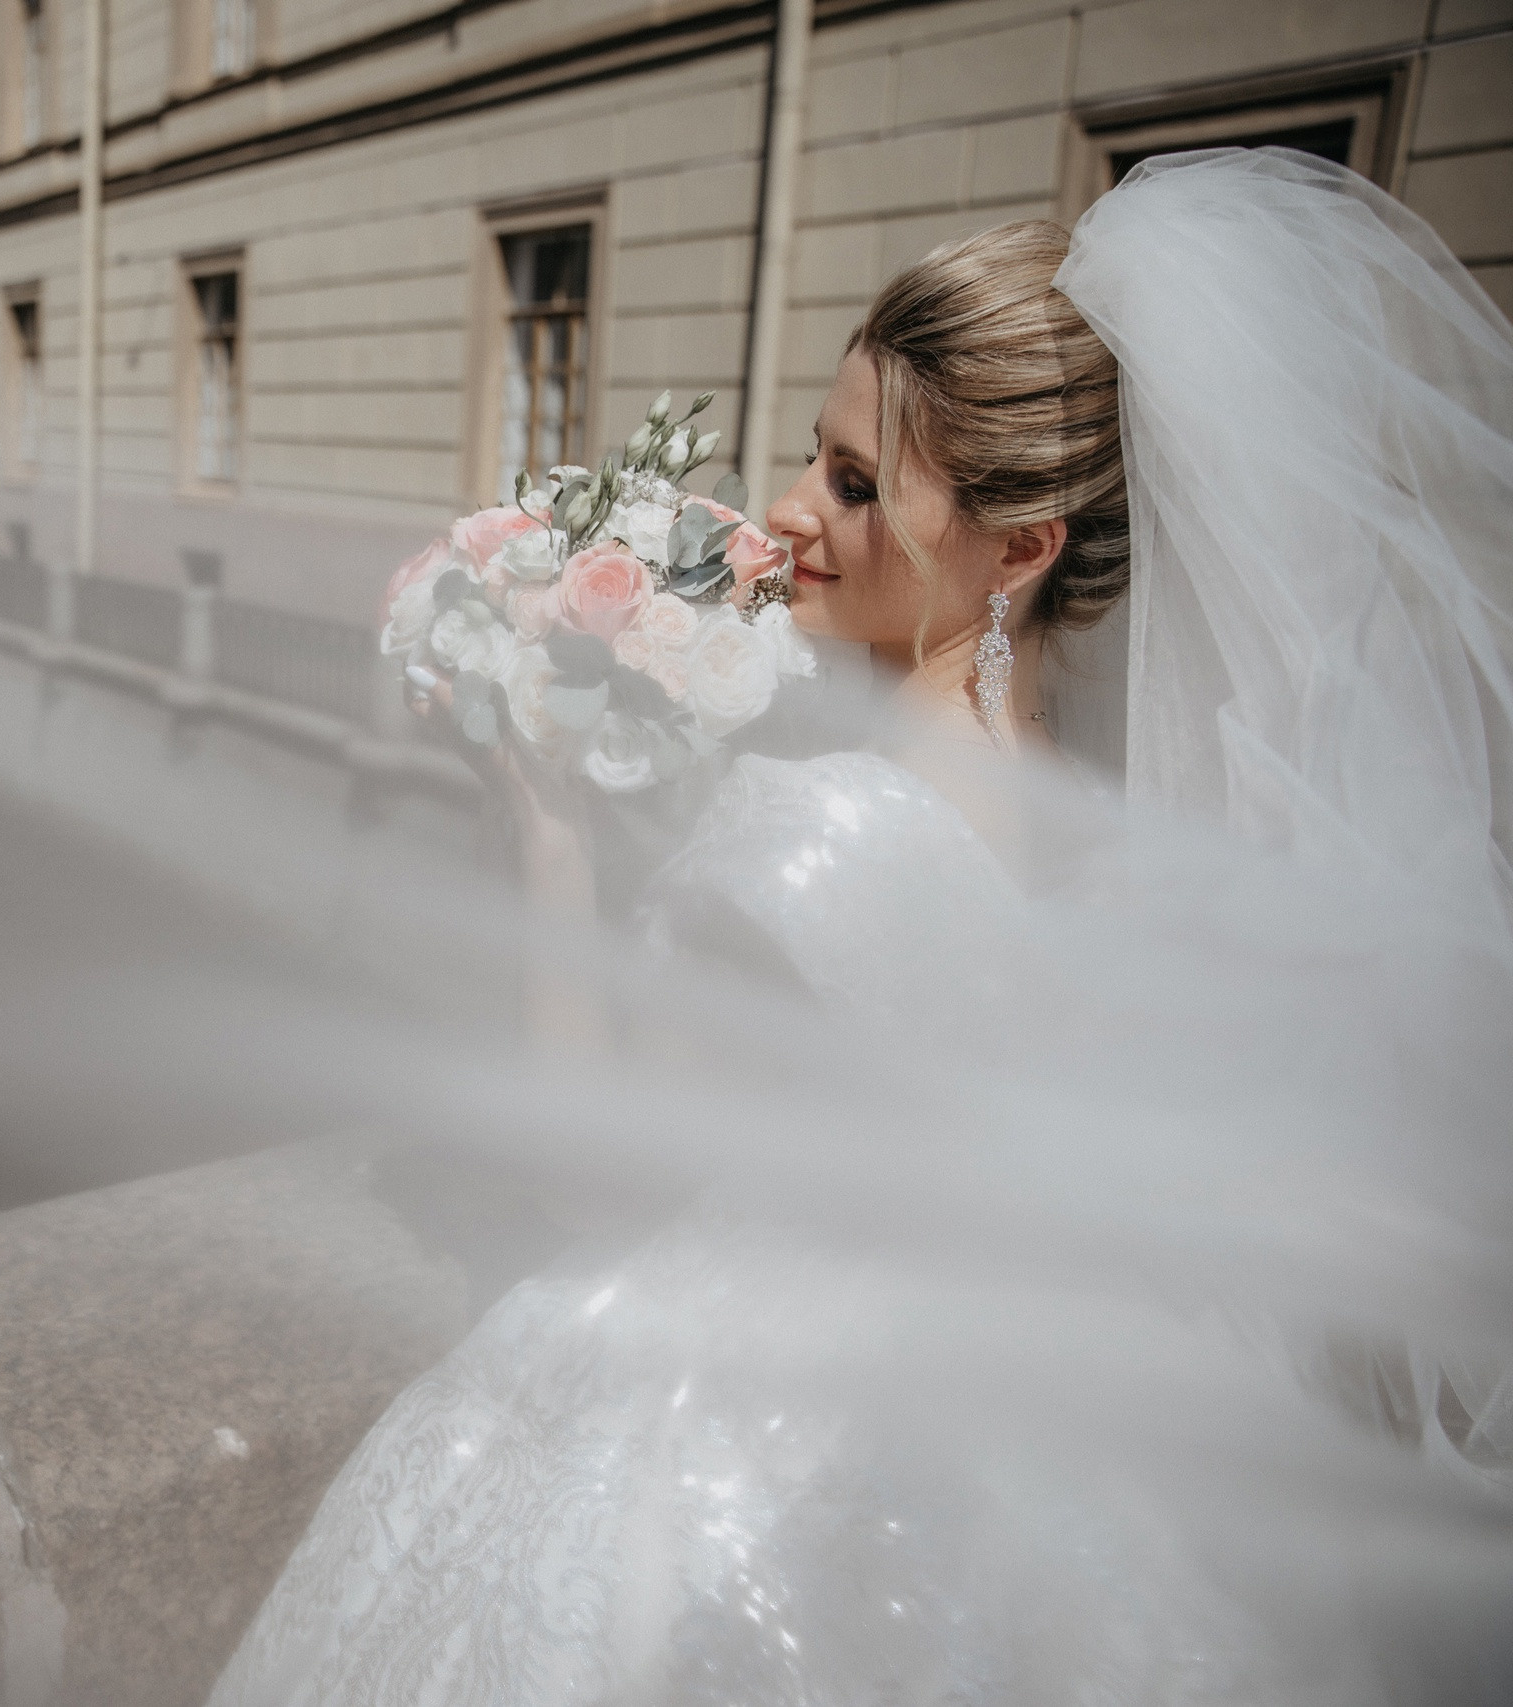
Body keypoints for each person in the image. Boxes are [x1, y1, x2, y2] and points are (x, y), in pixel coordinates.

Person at [209, 150, 1513, 1704]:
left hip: (751, 1447)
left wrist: (549, 826)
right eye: (811, 457)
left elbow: (594, 1174)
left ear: (1018, 548)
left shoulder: (834, 826)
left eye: (850, 481)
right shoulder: (1096, 806)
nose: (786, 507)